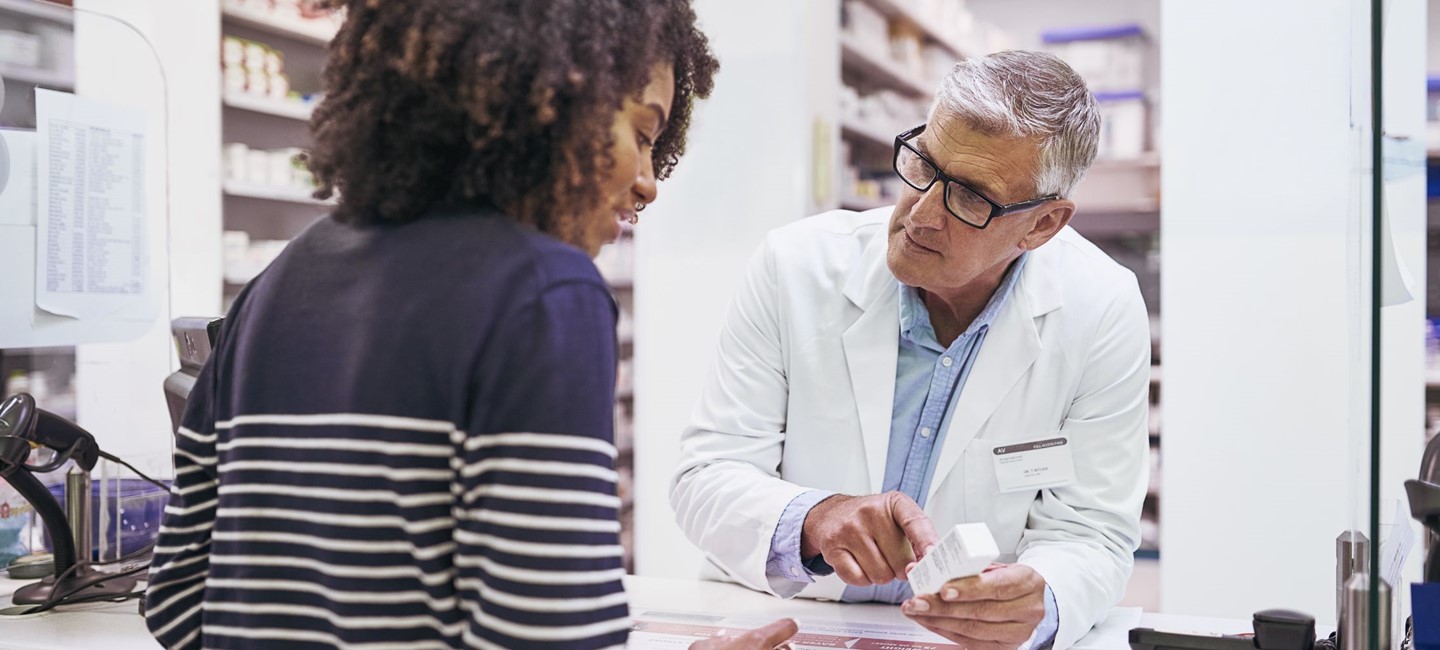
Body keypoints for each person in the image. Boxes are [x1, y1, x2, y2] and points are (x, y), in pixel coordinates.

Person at [143, 1, 795, 648]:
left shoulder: (275, 285)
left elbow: (174, 607)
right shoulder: (546, 294)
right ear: (552, 99)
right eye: (645, 136)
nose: (650, 183)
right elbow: (546, 640)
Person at [671, 50, 1150, 650]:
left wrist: (1043, 598)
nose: (920, 213)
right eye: (923, 163)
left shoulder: (1101, 308)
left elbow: (1093, 531)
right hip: (786, 623)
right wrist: (815, 518)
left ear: (1042, 225)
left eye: (972, 198)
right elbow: (706, 475)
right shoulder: (795, 266)